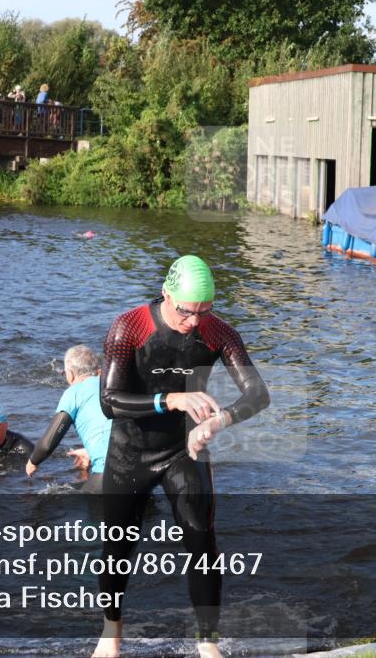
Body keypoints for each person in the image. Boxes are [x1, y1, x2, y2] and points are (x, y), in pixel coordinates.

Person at [92, 255, 270, 658]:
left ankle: (207, 644)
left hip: (185, 449)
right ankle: (111, 632)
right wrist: (169, 399)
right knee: (118, 545)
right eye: (186, 312)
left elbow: (258, 394)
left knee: (201, 537)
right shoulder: (129, 327)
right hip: (130, 451)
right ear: (166, 294)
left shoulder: (218, 331)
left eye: (204, 312)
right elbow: (109, 402)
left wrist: (219, 421)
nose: (194, 322)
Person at [26, 345, 112, 494]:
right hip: (142, 470)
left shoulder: (73, 392)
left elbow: (47, 444)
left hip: (109, 473)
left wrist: (33, 461)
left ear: (70, 374)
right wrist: (91, 451)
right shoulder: (112, 384)